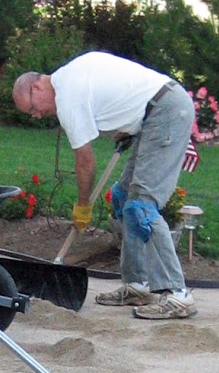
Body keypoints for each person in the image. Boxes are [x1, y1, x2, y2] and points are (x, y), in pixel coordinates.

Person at [12, 52, 198, 320]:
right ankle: (138, 285)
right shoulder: (71, 75)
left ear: (37, 86)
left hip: (166, 111)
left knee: (142, 207)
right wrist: (128, 126)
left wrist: (83, 206)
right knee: (122, 197)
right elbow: (118, 88)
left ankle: (178, 294)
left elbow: (86, 162)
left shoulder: (67, 97)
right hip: (155, 112)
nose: (36, 115)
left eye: (32, 108)